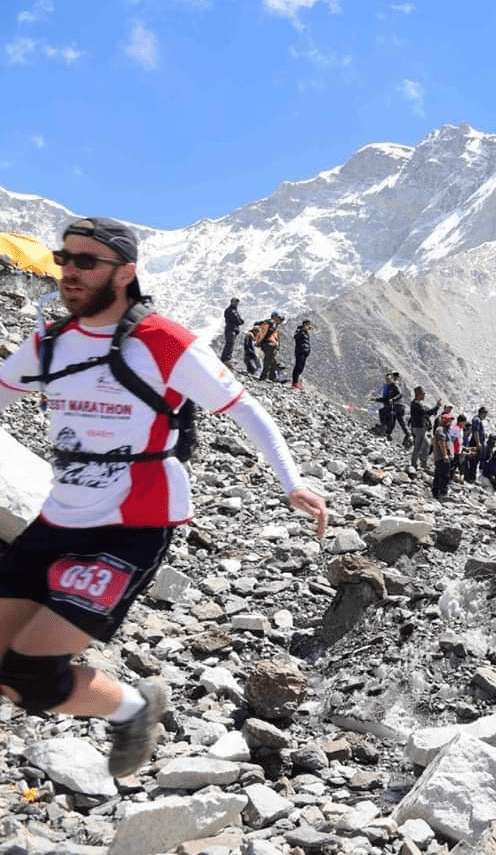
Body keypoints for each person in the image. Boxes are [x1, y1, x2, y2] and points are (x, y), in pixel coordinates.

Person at [0, 217, 327, 778]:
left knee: (30, 674)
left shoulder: (164, 341)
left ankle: (134, 709)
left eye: (86, 261)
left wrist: (291, 480)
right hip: (57, 519)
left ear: (124, 272)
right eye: (63, 258)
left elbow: (245, 409)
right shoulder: (48, 344)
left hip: (132, 525)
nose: (69, 271)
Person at [408, 389, 440, 473]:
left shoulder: (417, 403)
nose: (424, 396)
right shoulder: (416, 404)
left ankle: (423, 463)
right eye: (423, 394)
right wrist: (436, 407)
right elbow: (426, 413)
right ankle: (414, 464)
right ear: (418, 395)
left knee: (426, 445)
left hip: (420, 428)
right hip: (419, 428)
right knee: (418, 446)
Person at [430, 412, 453, 499]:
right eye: (449, 421)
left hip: (442, 456)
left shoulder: (445, 430)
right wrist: (445, 455)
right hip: (441, 457)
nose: (450, 423)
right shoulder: (441, 430)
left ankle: (436, 492)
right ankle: (442, 492)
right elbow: (441, 442)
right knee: (444, 475)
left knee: (439, 474)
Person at [258, 312, 284, 383]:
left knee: (272, 361)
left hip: (270, 345)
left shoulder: (273, 325)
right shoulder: (270, 323)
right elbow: (263, 334)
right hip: (268, 344)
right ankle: (264, 377)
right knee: (268, 361)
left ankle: (272, 377)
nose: (280, 321)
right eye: (280, 319)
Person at [290, 319, 312, 390]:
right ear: (304, 324)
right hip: (300, 351)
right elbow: (295, 337)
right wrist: (302, 330)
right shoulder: (299, 329)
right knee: (298, 367)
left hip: (305, 351)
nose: (308, 326)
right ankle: (294, 383)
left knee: (301, 368)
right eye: (307, 324)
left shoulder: (306, 332)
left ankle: (297, 382)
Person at [220, 297, 242, 365]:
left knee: (231, 343)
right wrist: (240, 321)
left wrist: (240, 321)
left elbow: (239, 319)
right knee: (229, 343)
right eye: (235, 302)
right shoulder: (230, 310)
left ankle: (227, 357)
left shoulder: (234, 310)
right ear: (232, 302)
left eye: (237, 303)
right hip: (230, 329)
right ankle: (226, 358)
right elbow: (236, 320)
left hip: (234, 329)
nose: (236, 304)